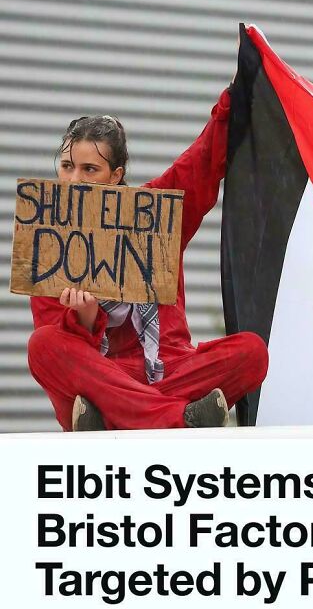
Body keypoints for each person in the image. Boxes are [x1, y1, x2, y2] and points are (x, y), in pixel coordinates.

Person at [28, 88, 268, 431]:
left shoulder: (155, 212)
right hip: (103, 377)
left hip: (165, 369)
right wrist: (84, 319)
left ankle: (114, 422)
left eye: (89, 168)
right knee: (44, 346)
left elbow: (203, 160)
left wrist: (239, 90)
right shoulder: (47, 239)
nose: (74, 179)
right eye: (67, 166)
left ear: (116, 175)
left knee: (252, 352)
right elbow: (57, 342)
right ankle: (176, 420)